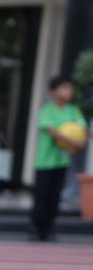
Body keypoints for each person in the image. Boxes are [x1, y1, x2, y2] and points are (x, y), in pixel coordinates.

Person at [31, 74, 86, 243]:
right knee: (42, 194)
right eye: (64, 87)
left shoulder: (73, 111)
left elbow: (82, 131)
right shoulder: (47, 110)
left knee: (55, 195)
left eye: (70, 88)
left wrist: (79, 145)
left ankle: (50, 226)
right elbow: (54, 132)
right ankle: (36, 227)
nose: (68, 91)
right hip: (45, 161)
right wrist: (75, 143)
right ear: (53, 92)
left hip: (62, 161)